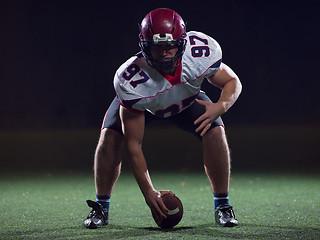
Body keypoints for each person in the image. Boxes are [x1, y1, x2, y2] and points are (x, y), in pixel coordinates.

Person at [83, 8, 242, 229]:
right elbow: (134, 145)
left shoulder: (199, 52)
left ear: (183, 43)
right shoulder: (131, 81)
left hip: (186, 102)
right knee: (109, 137)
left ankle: (223, 206)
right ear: (145, 46)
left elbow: (232, 81)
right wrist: (148, 191)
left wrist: (221, 106)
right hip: (144, 108)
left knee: (215, 130)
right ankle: (101, 207)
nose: (165, 53)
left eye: (170, 46)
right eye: (158, 47)